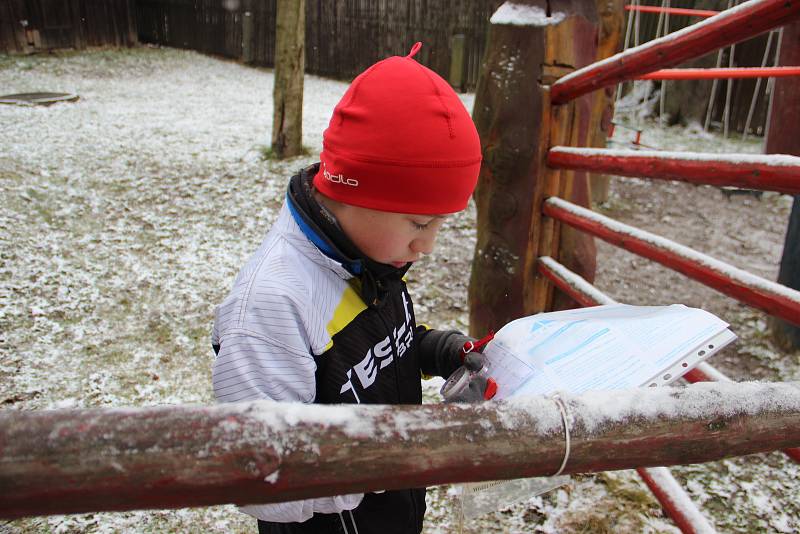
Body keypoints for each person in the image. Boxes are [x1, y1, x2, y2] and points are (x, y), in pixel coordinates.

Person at [211, 42, 490, 534]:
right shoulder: (272, 308)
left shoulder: (369, 259)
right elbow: (263, 479)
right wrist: (394, 457)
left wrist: (441, 351)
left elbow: (382, 346)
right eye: (421, 222)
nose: (428, 246)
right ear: (354, 190)